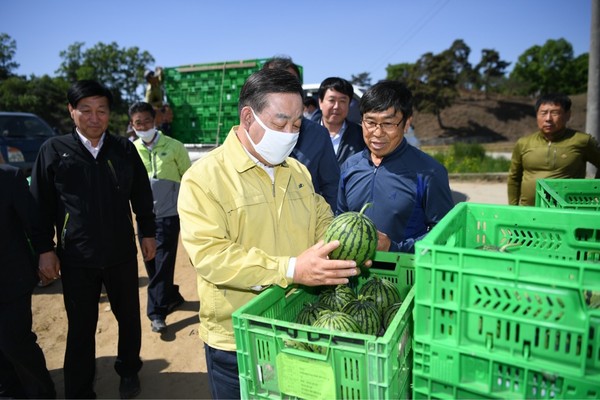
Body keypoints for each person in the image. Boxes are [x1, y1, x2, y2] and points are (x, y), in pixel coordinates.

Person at [177, 68, 366, 399]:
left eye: (296, 126)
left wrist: (348, 247)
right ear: (248, 117)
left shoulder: (298, 172)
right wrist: (291, 269)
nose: (290, 134)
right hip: (236, 340)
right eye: (280, 124)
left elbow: (324, 223)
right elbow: (211, 257)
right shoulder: (203, 179)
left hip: (295, 326)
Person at [29, 80, 157, 399]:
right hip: (77, 257)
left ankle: (128, 371)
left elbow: (141, 194)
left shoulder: (123, 149)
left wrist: (148, 232)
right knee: (81, 328)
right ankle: (80, 388)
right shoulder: (54, 151)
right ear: (72, 112)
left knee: (128, 319)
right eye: (85, 110)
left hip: (121, 254)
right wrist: (45, 249)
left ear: (109, 114)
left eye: (101, 110)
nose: (94, 117)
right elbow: (40, 206)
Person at [337, 80, 454, 253]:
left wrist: (395, 248)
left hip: (406, 274)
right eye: (370, 122)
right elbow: (341, 217)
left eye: (388, 123)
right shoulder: (350, 166)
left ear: (406, 124)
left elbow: (445, 233)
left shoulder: (430, 172)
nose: (377, 133)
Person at [129, 101, 192, 333]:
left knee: (163, 263)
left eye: (147, 121)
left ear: (154, 120)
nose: (143, 126)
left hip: (168, 216)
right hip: (144, 218)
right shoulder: (131, 150)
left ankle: (156, 313)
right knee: (152, 263)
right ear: (132, 125)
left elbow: (188, 177)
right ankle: (171, 296)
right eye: (138, 123)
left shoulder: (174, 146)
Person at [0, 152, 56, 399]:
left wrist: (46, 252)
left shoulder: (9, 177)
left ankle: (41, 393)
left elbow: (33, 221)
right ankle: (10, 390)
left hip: (10, 278)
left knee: (15, 340)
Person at [262, 56, 339, 210]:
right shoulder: (251, 133)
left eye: (292, 84)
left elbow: (332, 188)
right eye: (278, 84)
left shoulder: (318, 135)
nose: (285, 91)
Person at [507, 93, 600, 206]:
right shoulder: (523, 143)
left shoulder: (582, 141)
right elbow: (514, 178)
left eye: (555, 113)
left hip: (568, 213)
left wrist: (593, 193)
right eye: (543, 113)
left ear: (567, 115)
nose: (548, 119)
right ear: (537, 115)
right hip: (529, 212)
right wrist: (513, 208)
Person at [310, 77, 366, 166]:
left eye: (342, 101)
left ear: (349, 104)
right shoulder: (305, 133)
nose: (336, 106)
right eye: (331, 100)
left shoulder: (362, 135)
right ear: (320, 102)